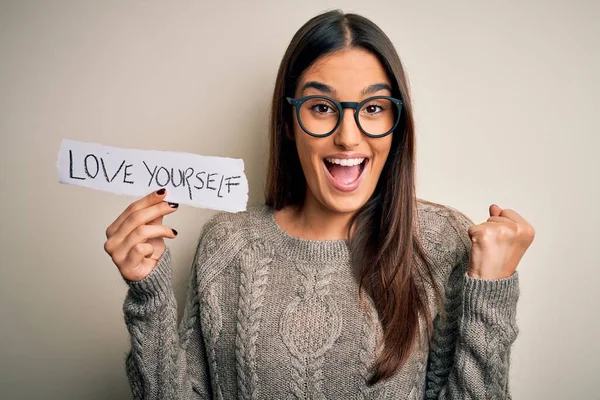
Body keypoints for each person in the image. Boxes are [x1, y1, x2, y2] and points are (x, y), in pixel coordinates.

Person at [103, 10, 535, 400]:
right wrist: (150, 298)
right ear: (289, 122)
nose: (348, 136)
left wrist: (491, 292)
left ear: (396, 125)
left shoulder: (442, 243)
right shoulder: (228, 243)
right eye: (323, 107)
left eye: (374, 107)